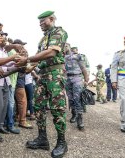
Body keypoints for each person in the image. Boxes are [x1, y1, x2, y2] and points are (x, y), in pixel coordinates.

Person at [16, 10, 68, 158]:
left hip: (55, 75)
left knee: (57, 108)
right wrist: (27, 69)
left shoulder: (59, 33)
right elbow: (38, 60)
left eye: (43, 21)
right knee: (38, 107)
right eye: (39, 22)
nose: (40, 24)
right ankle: (42, 139)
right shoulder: (42, 40)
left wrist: (27, 60)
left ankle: (62, 142)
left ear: (51, 19)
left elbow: (51, 53)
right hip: (43, 75)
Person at [65, 43, 89, 130]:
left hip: (77, 78)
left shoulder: (77, 56)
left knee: (77, 98)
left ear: (69, 47)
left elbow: (83, 68)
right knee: (70, 99)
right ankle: (74, 114)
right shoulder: (60, 57)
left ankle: (80, 118)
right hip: (67, 79)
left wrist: (86, 79)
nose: (64, 47)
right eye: (63, 46)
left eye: (66, 46)